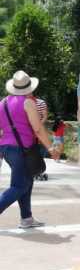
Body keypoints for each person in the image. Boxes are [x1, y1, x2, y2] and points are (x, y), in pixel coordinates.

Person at [0, 70, 60, 228]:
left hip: (6, 148)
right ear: (29, 88)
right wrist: (51, 148)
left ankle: (26, 219)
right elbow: (38, 129)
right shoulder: (28, 103)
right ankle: (26, 218)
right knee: (19, 186)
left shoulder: (3, 103)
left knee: (26, 182)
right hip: (21, 149)